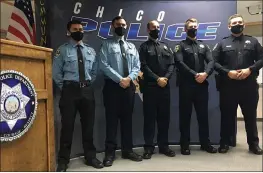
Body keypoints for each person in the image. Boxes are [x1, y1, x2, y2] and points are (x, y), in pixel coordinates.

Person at [53, 20, 103, 171]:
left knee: (88, 126)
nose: (79, 31)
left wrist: (85, 85)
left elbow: (94, 72)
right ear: (69, 32)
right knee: (67, 127)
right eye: (75, 29)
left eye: (80, 29)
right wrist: (67, 87)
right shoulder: (62, 50)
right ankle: (63, 161)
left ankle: (90, 157)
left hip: (87, 90)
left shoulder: (90, 51)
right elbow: (56, 73)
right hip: (70, 91)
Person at [212, 14, 263, 155]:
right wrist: (227, 72)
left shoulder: (253, 42)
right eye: (234, 23)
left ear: (244, 25)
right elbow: (213, 62)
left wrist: (250, 69)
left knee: (250, 117)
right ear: (229, 26)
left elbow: (261, 58)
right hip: (228, 86)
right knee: (227, 116)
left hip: (249, 86)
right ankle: (224, 143)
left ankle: (253, 145)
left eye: (240, 22)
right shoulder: (222, 43)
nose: (237, 24)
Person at [99, 16, 142, 167]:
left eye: (123, 25)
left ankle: (127, 150)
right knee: (111, 121)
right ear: (112, 26)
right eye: (118, 25)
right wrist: (120, 79)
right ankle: (110, 153)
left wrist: (128, 79)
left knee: (127, 120)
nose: (121, 27)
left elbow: (137, 66)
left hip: (128, 87)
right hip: (112, 87)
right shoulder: (106, 44)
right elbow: (103, 65)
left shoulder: (131, 46)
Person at [174, 18, 217, 155]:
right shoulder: (179, 46)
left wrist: (205, 74)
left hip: (202, 86)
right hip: (186, 86)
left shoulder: (204, 46)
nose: (193, 28)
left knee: (203, 116)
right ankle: (184, 145)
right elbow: (179, 63)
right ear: (185, 30)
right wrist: (195, 75)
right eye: (191, 27)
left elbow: (211, 61)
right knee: (185, 116)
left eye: (195, 26)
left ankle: (205, 143)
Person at [139, 20, 176, 159]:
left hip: (164, 88)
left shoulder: (166, 47)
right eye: (153, 27)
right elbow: (143, 66)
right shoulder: (143, 47)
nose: (156, 29)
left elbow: (172, 64)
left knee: (164, 119)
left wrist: (165, 78)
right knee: (149, 119)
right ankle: (149, 147)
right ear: (148, 30)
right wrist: (157, 79)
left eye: (158, 27)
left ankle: (164, 146)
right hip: (150, 88)